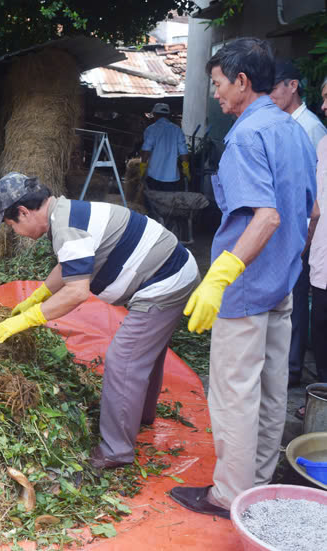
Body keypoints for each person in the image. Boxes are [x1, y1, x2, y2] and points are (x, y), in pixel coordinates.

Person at [169, 38, 317, 520]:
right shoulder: (295, 130)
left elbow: (266, 217)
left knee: (234, 393)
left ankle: (228, 496)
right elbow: (309, 211)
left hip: (248, 286)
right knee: (273, 389)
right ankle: (257, 480)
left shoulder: (247, 135)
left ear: (242, 81)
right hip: (283, 283)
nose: (214, 94)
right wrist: (289, 260)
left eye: (216, 84)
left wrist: (219, 277)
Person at [0, 172, 199, 471]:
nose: (15, 231)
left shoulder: (66, 226)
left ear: (23, 212)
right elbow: (70, 264)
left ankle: (115, 450)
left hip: (164, 282)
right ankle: (140, 414)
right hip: (173, 270)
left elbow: (76, 291)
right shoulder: (66, 212)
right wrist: (40, 294)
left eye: (11, 225)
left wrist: (28, 319)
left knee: (124, 359)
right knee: (147, 351)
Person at [269, 60, 327, 391]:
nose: (271, 94)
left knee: (299, 296)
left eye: (276, 87)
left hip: (308, 230)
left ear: (292, 86)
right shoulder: (286, 123)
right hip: (293, 226)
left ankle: (293, 368)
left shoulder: (312, 129)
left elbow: (317, 197)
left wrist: (307, 236)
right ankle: (287, 365)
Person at [309, 78, 327, 389]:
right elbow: (316, 204)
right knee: (322, 326)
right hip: (322, 250)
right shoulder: (324, 144)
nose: (323, 106)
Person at [139, 103, 190, 193]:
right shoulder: (177, 129)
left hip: (154, 176)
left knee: (153, 203)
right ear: (168, 115)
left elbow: (146, 150)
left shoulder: (151, 129)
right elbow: (183, 151)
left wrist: (142, 166)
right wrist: (186, 167)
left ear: (154, 114)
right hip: (172, 177)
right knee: (169, 203)